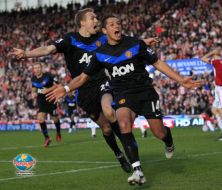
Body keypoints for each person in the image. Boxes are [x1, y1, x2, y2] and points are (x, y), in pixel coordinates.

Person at [44, 15, 204, 185]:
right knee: (123, 124)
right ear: (105, 31)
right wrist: (66, 88)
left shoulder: (135, 44)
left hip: (145, 92)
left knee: (159, 132)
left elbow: (157, 63)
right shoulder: (99, 54)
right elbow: (83, 77)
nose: (116, 26)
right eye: (112, 24)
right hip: (123, 95)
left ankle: (168, 140)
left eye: (118, 23)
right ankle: (138, 171)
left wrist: (181, 80)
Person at [9, 8, 136, 173]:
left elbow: (128, 41)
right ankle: (119, 154)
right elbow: (47, 49)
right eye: (92, 18)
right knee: (105, 128)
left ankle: (130, 152)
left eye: (97, 17)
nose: (96, 20)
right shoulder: (70, 39)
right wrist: (26, 53)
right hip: (82, 90)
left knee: (109, 111)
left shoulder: (102, 38)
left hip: (102, 82)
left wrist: (144, 41)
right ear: (82, 22)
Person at [201, 49, 222, 141]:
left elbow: (203, 58)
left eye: (213, 56)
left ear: (214, 55)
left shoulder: (216, 62)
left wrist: (211, 52)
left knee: (221, 109)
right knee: (214, 110)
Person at [31, 62, 61, 147]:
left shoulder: (48, 76)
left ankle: (58, 132)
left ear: (41, 68)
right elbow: (33, 88)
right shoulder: (33, 79)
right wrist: (33, 93)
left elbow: (57, 85)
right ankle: (47, 138)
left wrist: (48, 90)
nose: (36, 69)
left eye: (38, 68)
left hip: (51, 99)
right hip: (41, 101)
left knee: (55, 119)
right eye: (35, 68)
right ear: (33, 70)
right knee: (40, 119)